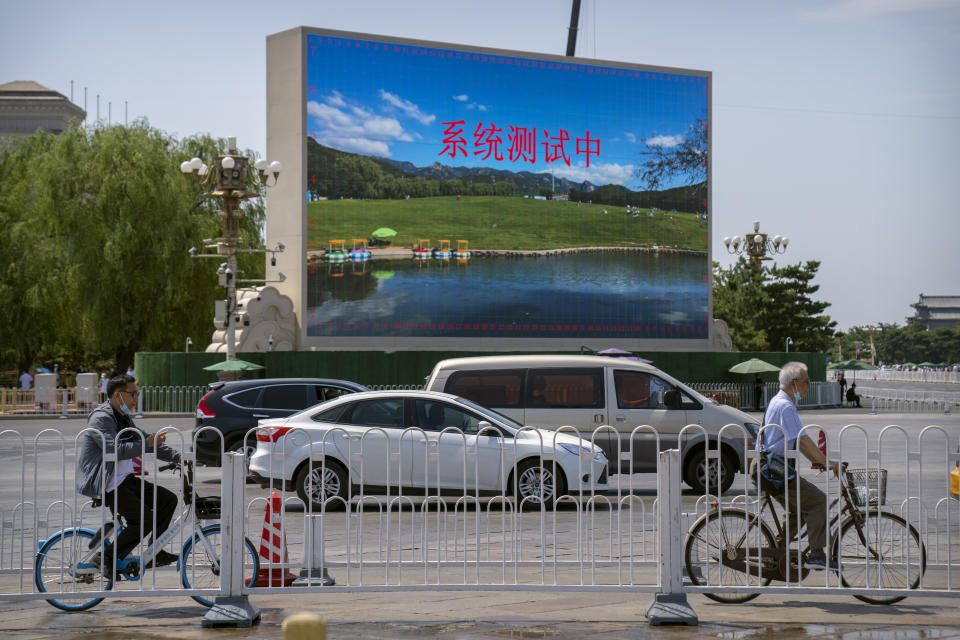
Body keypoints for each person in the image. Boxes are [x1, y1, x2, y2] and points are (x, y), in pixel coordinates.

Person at [76, 374, 181, 574]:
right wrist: (147, 443)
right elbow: (113, 450)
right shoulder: (101, 418)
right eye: (133, 394)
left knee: (168, 500)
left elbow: (146, 442)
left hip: (124, 479)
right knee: (144, 520)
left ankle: (155, 551)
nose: (136, 399)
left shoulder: (123, 417)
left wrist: (178, 458)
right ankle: (105, 557)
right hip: (107, 482)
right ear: (118, 395)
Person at [754, 362, 840, 571]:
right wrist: (826, 462)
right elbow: (802, 441)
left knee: (799, 510)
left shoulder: (779, 401)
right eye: (807, 382)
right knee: (818, 501)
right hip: (774, 471)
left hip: (770, 468)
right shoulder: (785, 406)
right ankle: (817, 554)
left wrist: (816, 460)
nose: (809, 386)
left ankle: (776, 552)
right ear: (794, 384)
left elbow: (796, 441)